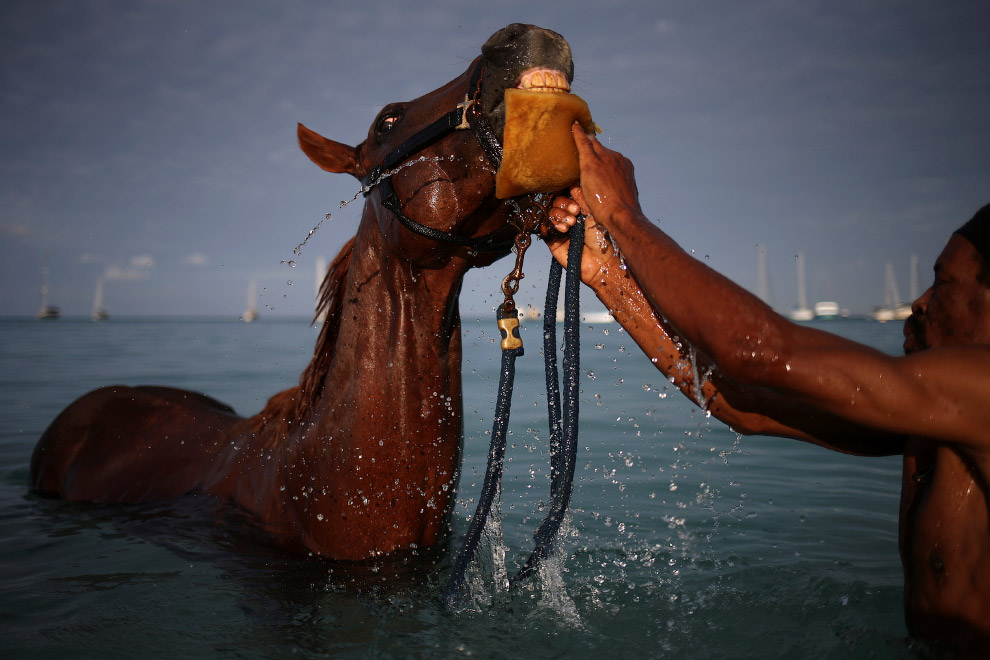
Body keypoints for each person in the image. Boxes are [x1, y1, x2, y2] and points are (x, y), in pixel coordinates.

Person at [546, 123, 990, 652]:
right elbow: (745, 403)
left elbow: (760, 352)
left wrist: (623, 215)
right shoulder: (930, 426)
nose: (918, 301)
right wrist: (605, 276)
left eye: (942, 282)